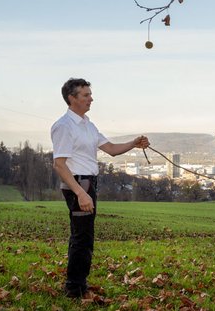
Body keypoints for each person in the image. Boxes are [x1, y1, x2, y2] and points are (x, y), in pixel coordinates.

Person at [51, 78, 150, 298]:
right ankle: (75, 289)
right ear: (72, 98)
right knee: (83, 238)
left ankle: (77, 284)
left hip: (88, 183)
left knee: (82, 235)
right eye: (85, 95)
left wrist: (133, 143)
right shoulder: (64, 126)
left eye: (90, 94)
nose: (91, 98)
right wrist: (81, 192)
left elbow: (112, 149)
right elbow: (59, 164)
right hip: (78, 184)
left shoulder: (88, 124)